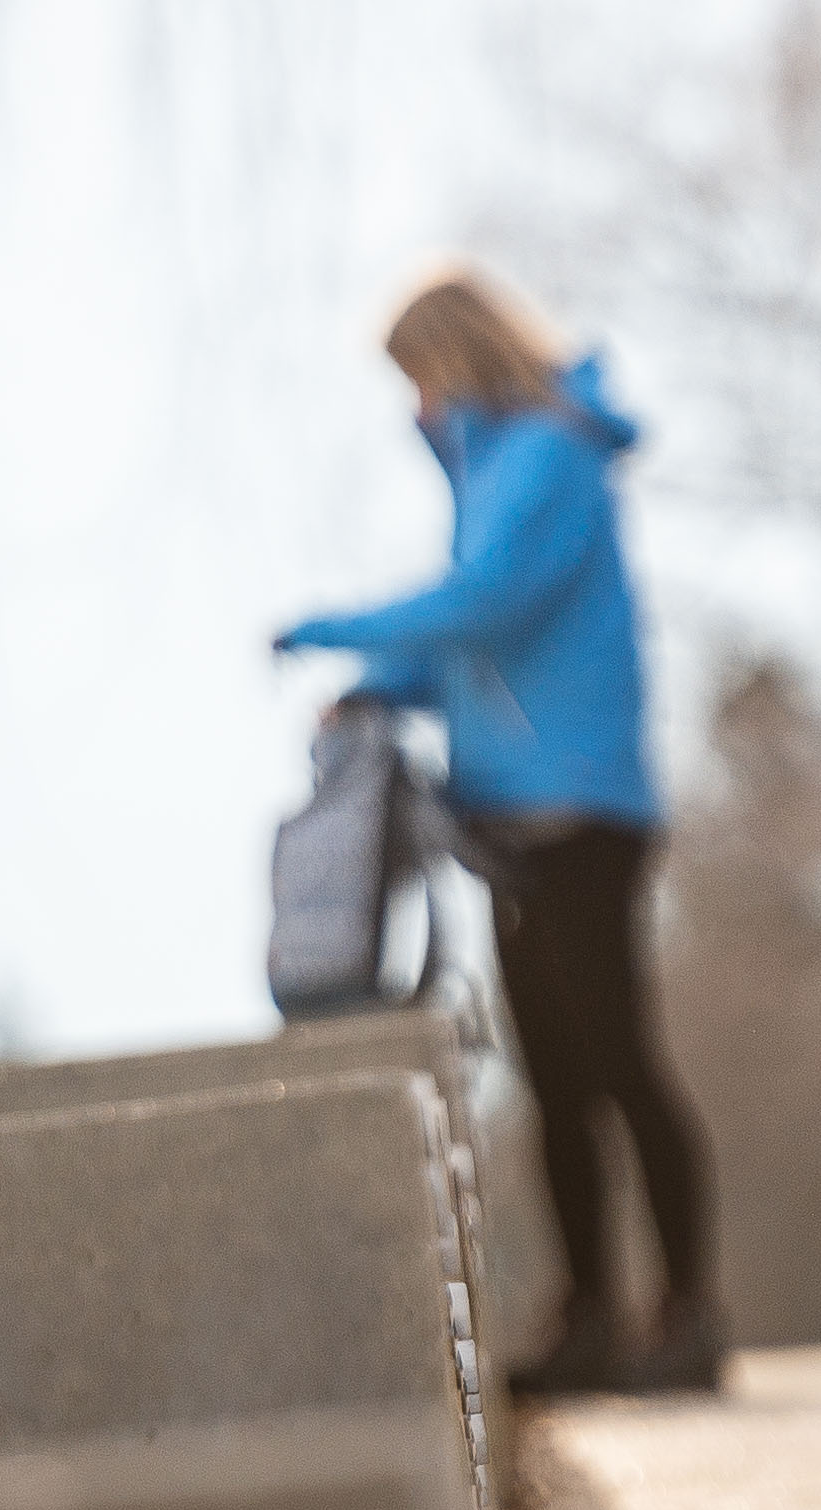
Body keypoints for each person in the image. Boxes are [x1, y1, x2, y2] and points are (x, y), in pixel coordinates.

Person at [276, 265, 720, 1401]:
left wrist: (331, 626)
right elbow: (473, 644)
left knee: (618, 1060)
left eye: (415, 378)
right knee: (554, 1075)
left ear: (453, 356)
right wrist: (376, 684)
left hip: (579, 808)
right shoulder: (493, 468)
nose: (411, 407)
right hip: (513, 816)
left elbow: (490, 600)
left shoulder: (548, 454)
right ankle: (588, 1319)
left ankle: (687, 1313)